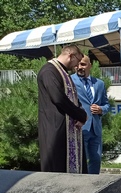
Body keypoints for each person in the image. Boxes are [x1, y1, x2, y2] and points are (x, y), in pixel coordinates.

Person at [37, 45, 88, 173]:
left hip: (67, 128)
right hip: (55, 129)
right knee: (57, 170)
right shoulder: (49, 71)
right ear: (71, 56)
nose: (77, 66)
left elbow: (73, 98)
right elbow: (58, 98)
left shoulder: (63, 72)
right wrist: (80, 115)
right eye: (77, 61)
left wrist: (81, 113)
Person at [71, 55, 109, 175]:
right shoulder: (70, 81)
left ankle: (93, 183)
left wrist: (101, 109)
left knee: (96, 160)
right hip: (79, 127)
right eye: (77, 64)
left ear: (90, 66)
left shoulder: (99, 84)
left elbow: (106, 104)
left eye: (83, 64)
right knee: (80, 160)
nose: (79, 67)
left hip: (95, 129)